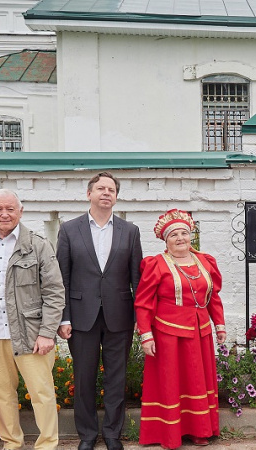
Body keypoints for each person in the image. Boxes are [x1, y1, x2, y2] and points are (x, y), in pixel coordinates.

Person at [0, 189, 65, 450]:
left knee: (42, 394)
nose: (4, 214)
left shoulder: (38, 244)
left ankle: (47, 444)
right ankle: (11, 443)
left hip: (31, 334)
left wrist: (47, 332)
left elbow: (55, 292)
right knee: (3, 395)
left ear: (20, 212)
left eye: (10, 209)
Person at [56, 172, 143, 450]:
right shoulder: (70, 229)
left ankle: (113, 434)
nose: (106, 193)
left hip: (120, 315)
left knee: (116, 377)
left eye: (111, 190)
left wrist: (142, 318)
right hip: (81, 316)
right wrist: (64, 316)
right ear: (89, 193)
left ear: (116, 197)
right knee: (84, 377)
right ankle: (88, 435)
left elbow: (136, 279)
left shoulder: (130, 231)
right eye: (101, 188)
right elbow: (62, 277)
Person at [134, 209, 226, 449]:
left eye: (184, 233)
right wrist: (146, 335)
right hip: (168, 333)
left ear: (191, 236)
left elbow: (212, 296)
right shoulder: (156, 264)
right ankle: (170, 433)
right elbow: (143, 302)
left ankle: (200, 430)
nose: (180, 238)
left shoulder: (205, 261)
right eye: (174, 234)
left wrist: (220, 325)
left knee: (197, 380)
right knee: (171, 382)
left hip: (200, 331)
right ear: (166, 240)